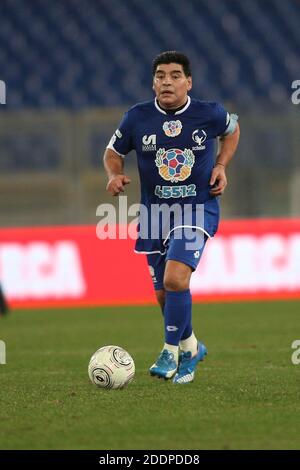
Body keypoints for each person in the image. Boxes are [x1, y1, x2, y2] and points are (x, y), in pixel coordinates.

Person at [104, 51, 240, 384]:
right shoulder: (136, 118)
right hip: (154, 214)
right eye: (161, 75)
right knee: (164, 293)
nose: (167, 81)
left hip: (197, 208)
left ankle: (170, 351)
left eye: (175, 75)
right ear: (153, 82)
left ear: (188, 82)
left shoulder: (208, 113)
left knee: (176, 280)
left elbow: (233, 131)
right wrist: (114, 174)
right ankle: (191, 347)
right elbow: (112, 152)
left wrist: (221, 165)